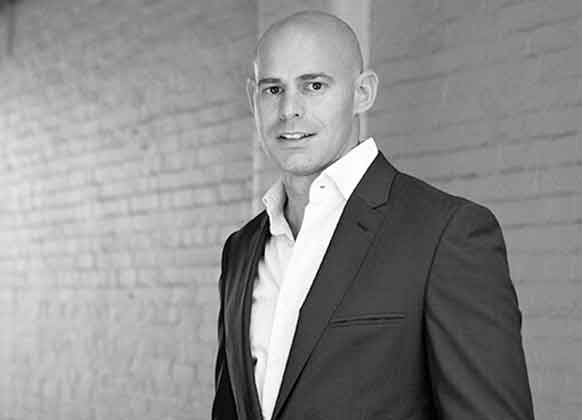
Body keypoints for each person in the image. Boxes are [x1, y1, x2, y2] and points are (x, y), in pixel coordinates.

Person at [212, 10, 534, 420]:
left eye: (314, 85)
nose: (289, 109)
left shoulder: (445, 234)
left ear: (363, 92)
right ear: (252, 99)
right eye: (273, 89)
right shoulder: (241, 250)